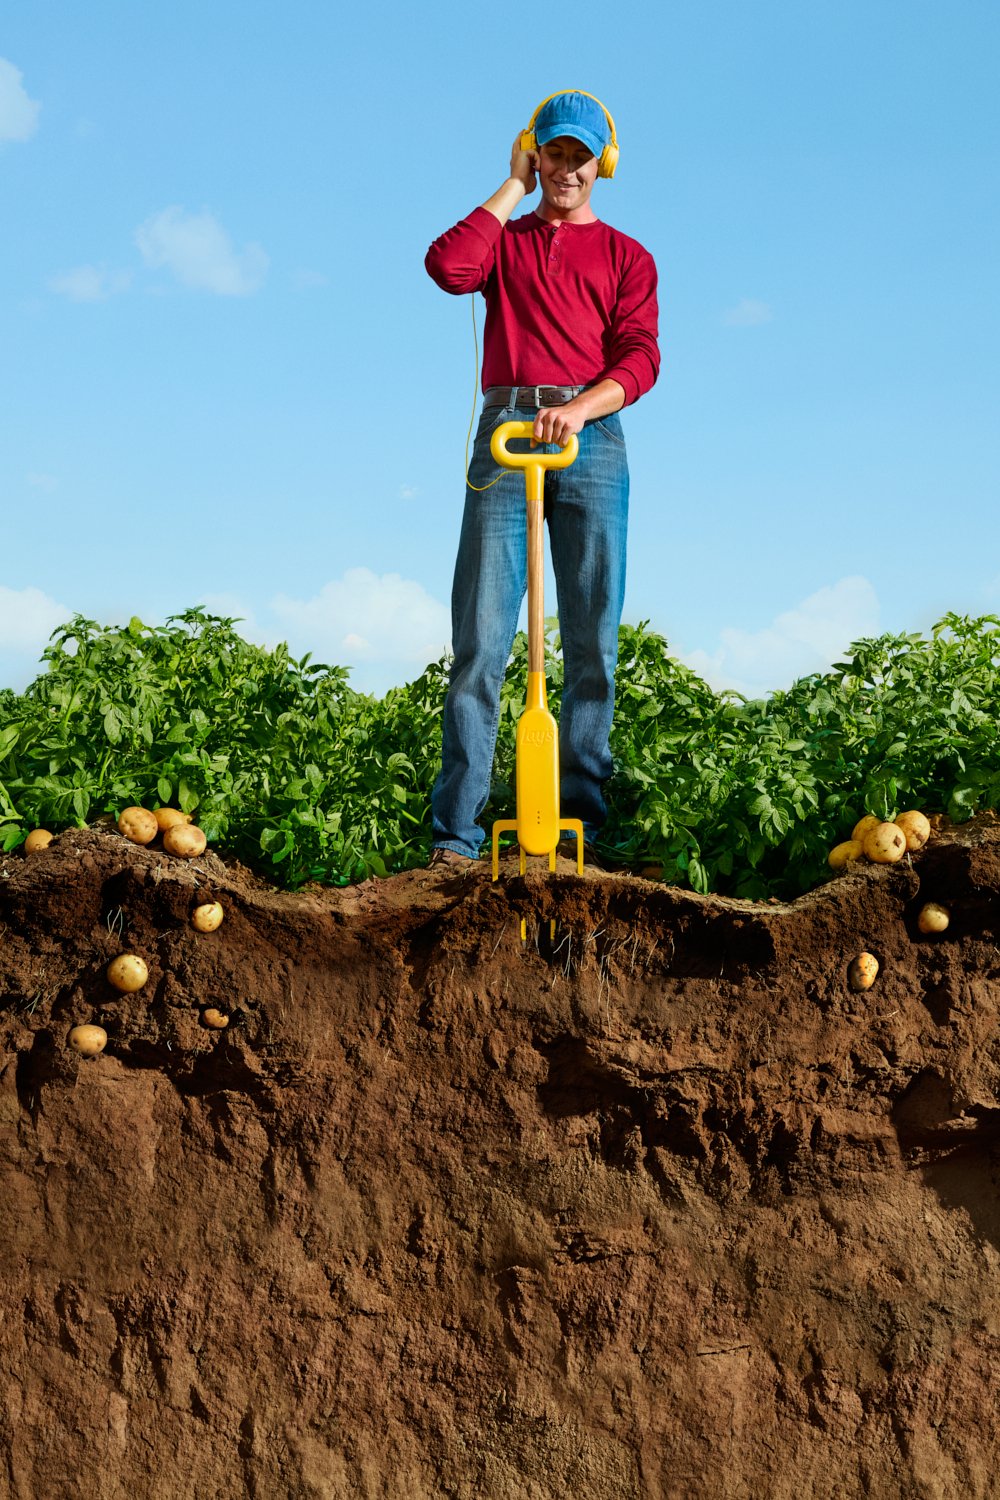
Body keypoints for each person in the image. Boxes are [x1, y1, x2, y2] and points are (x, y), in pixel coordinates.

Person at [425, 89, 660, 868]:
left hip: (591, 442)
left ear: (604, 163)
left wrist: (583, 409)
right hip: (507, 433)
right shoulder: (508, 240)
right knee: (482, 640)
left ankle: (580, 830)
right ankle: (456, 838)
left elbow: (640, 357)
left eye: (578, 156)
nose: (567, 167)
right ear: (536, 152)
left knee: (591, 641)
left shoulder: (628, 257)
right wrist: (512, 186)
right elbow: (448, 267)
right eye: (553, 152)